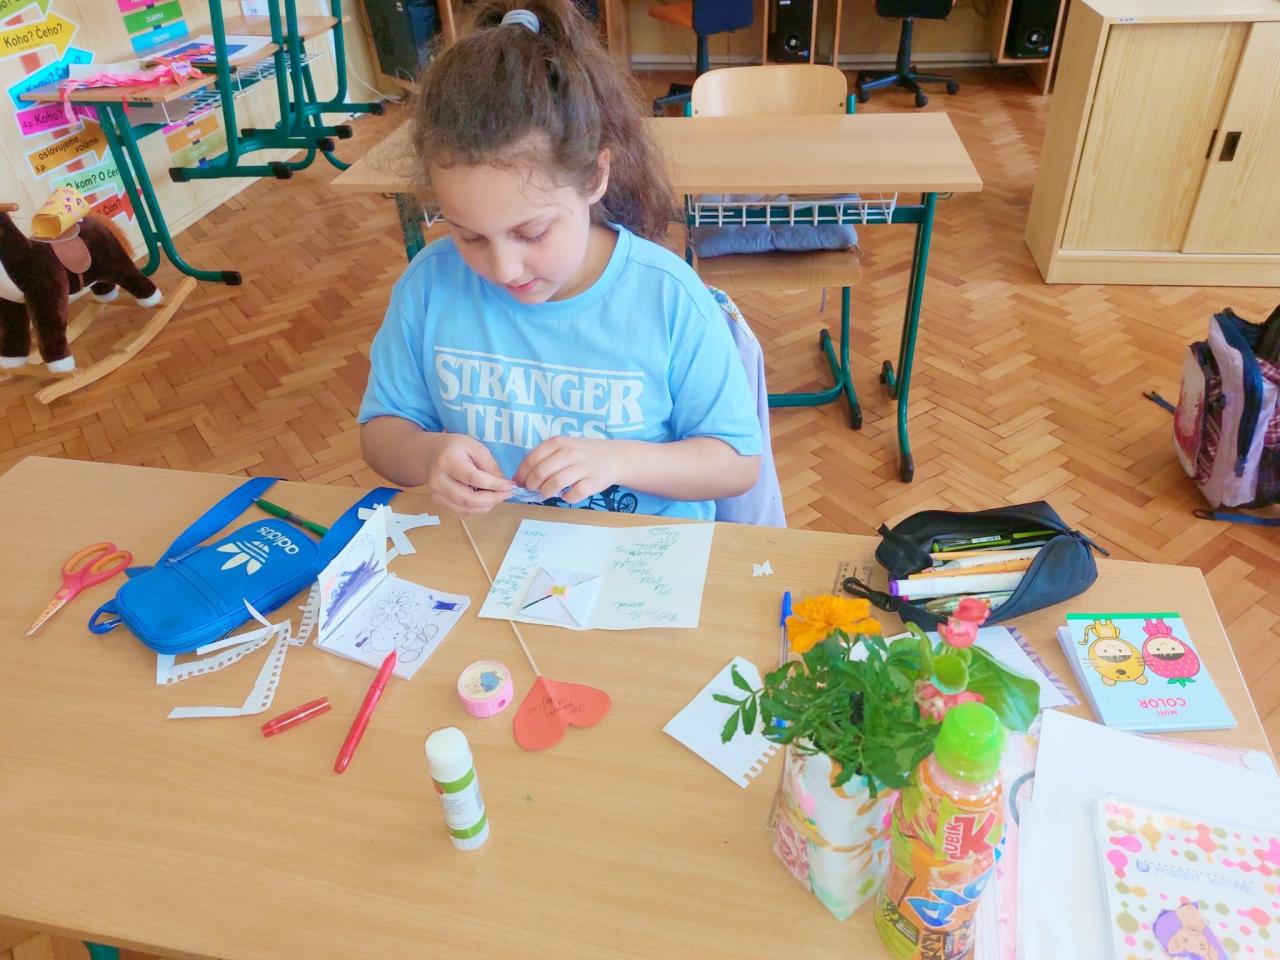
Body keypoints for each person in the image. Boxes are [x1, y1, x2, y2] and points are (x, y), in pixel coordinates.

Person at [358, 0, 761, 519]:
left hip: (643, 553)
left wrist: (618, 459)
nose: (503, 269)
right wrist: (426, 454)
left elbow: (736, 464)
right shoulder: (429, 286)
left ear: (594, 178)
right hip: (493, 546)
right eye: (468, 235)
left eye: (532, 232)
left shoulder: (667, 297)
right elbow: (382, 431)